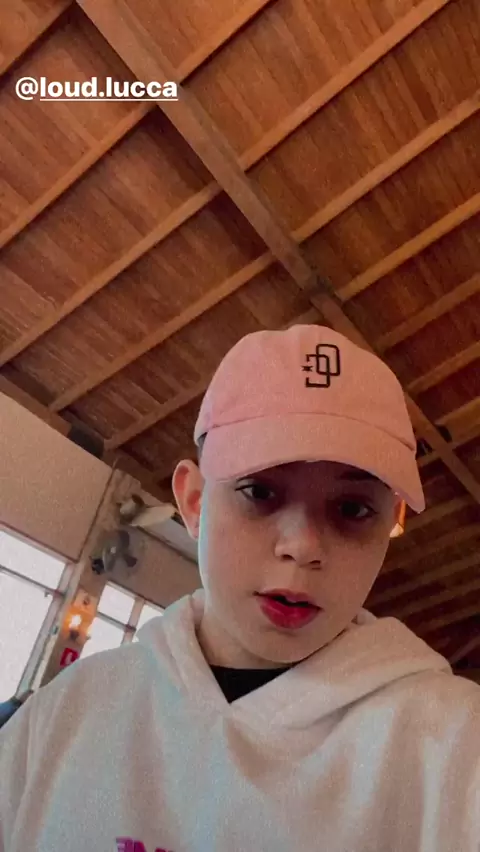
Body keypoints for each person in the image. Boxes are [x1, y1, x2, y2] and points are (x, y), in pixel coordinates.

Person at [0, 325, 478, 852]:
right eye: (260, 491)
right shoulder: (64, 718)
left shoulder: (452, 749)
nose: (303, 546)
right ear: (194, 501)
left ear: (391, 522)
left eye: (352, 509)